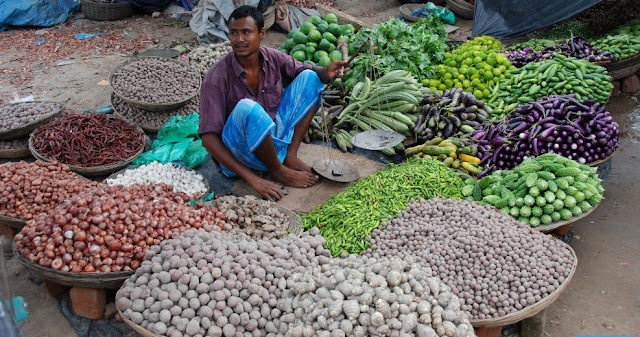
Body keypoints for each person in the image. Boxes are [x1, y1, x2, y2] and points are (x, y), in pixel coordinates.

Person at [199, 5, 348, 201]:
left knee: (311, 78)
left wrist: (326, 72)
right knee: (247, 107)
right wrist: (253, 179)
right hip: (241, 154)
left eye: (246, 32)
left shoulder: (272, 57)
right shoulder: (217, 76)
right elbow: (208, 138)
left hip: (270, 143)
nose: (239, 40)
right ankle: (278, 170)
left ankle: (289, 156)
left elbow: (306, 73)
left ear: (261, 34)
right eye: (234, 33)